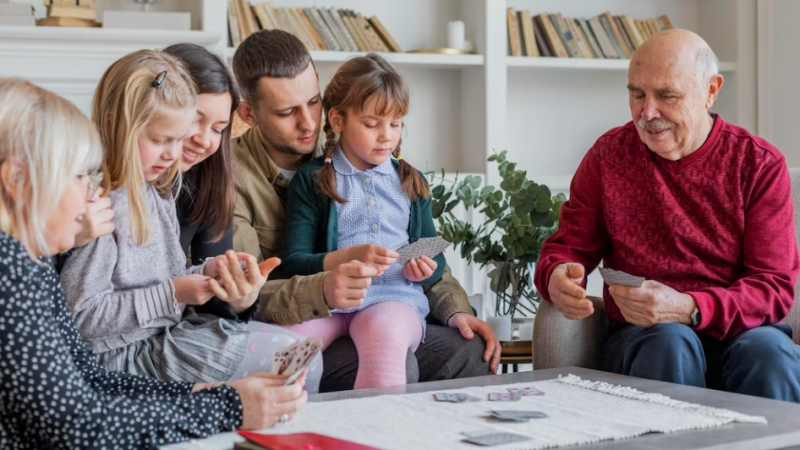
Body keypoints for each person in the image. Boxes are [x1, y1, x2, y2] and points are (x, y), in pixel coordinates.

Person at [0, 77, 307, 449]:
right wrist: (226, 406)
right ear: (16, 179)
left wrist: (201, 393)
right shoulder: (10, 273)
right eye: (77, 176)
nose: (89, 191)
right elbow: (75, 424)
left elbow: (91, 377)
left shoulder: (28, 264)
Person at [534, 29, 800, 402]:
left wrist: (691, 308)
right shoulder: (609, 156)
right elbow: (566, 249)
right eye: (637, 94)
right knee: (670, 342)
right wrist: (557, 276)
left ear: (711, 91)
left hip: (744, 332)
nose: (648, 112)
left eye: (667, 95)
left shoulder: (758, 165)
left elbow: (773, 288)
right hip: (645, 337)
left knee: (769, 355)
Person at [231, 29, 500, 391]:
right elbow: (245, 296)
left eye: (313, 103)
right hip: (311, 308)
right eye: (286, 112)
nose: (310, 123)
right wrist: (326, 286)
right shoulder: (233, 179)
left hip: (390, 303)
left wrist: (457, 310)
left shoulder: (396, 174)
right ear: (248, 114)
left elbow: (429, 253)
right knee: (285, 351)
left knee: (469, 350)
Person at [58, 49, 321, 391]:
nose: (173, 153)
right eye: (160, 139)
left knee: (303, 357)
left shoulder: (157, 190)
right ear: (117, 124)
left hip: (160, 338)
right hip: (121, 355)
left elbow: (160, 280)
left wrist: (206, 274)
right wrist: (176, 292)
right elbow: (82, 319)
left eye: (177, 139)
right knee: (295, 362)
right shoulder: (101, 207)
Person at [278, 54, 444, 389]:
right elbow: (293, 262)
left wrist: (426, 267)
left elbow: (436, 259)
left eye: (395, 124)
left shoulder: (412, 182)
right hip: (327, 301)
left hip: (393, 299)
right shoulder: (313, 180)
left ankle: (373, 438)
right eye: (372, 125)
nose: (386, 137)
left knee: (385, 338)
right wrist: (344, 260)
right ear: (337, 120)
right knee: (284, 351)